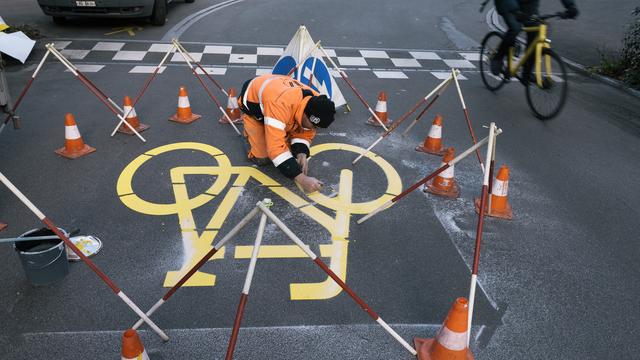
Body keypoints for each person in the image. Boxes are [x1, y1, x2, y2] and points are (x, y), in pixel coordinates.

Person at [238, 74, 336, 193]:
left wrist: (301, 153)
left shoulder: (317, 102)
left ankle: (274, 128)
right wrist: (302, 179)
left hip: (277, 98)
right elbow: (275, 149)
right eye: (314, 126)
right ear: (306, 114)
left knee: (288, 151)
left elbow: (306, 132)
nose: (314, 129)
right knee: (263, 159)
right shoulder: (280, 104)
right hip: (253, 104)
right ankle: (248, 134)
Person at [490, 0, 579, 80]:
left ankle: (527, 73)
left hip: (529, 3)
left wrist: (571, 6)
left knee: (536, 31)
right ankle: (498, 58)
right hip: (507, 3)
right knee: (515, 28)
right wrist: (515, 11)